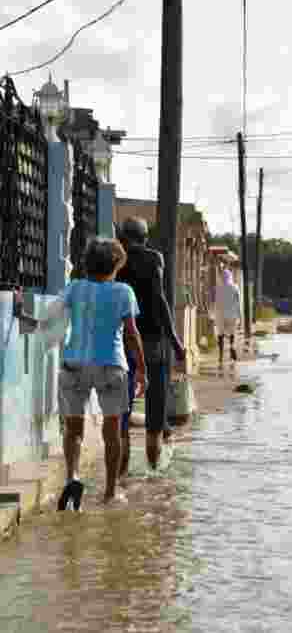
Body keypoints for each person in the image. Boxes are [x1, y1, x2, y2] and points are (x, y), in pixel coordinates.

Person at [33, 238, 148, 508]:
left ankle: (73, 477)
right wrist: (141, 369)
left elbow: (51, 314)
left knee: (73, 429)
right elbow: (132, 334)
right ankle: (110, 492)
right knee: (113, 432)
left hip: (74, 364)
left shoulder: (75, 288)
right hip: (111, 366)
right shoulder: (123, 292)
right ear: (116, 264)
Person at [116, 218, 187, 476]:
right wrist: (175, 340)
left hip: (123, 340)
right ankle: (153, 475)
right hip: (154, 341)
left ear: (123, 237)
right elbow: (159, 299)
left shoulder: (116, 260)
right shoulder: (153, 258)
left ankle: (120, 478)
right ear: (145, 238)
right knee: (155, 408)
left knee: (122, 410)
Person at [213, 268, 243, 365]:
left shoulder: (217, 288)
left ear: (222, 277)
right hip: (232, 315)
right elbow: (238, 303)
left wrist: (214, 315)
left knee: (220, 334)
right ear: (230, 277)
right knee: (232, 333)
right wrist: (240, 316)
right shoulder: (235, 287)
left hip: (220, 315)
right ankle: (231, 346)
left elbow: (215, 302)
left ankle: (221, 355)